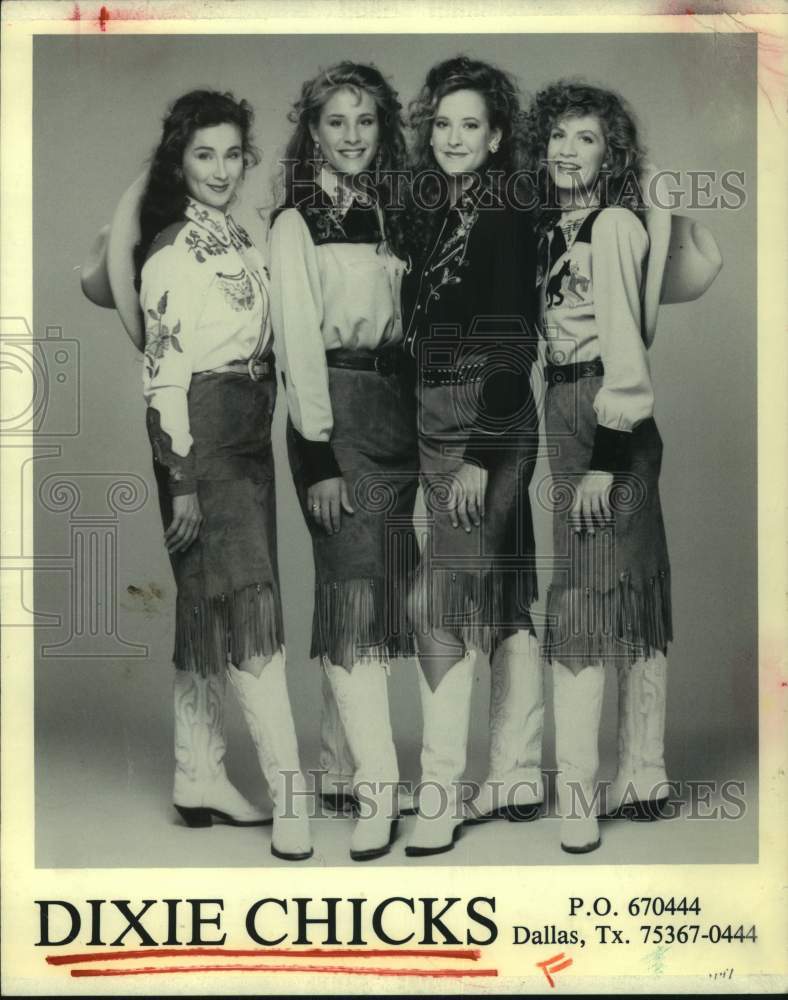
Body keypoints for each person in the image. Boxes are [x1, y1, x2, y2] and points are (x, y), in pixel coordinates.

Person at [134, 89, 312, 861]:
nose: (218, 168)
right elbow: (163, 376)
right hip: (199, 439)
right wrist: (178, 478)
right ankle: (292, 797)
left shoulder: (239, 236)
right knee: (250, 610)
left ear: (247, 159)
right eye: (201, 154)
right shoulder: (172, 251)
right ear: (179, 161)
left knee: (209, 611)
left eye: (231, 153)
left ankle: (196, 776)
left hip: (250, 432)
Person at [269, 63, 419, 861]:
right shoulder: (296, 223)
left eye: (365, 120)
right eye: (336, 121)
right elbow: (297, 346)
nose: (352, 135)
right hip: (335, 418)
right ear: (313, 132)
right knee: (355, 595)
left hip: (394, 415)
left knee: (374, 591)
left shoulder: (395, 217)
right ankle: (380, 790)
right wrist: (319, 454)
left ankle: (336, 765)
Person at [401, 56, 543, 857]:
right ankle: (518, 771)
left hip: (483, 420)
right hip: (437, 413)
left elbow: (512, 334)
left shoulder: (504, 209)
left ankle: (439, 793)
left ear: (495, 140)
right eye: (443, 123)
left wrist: (484, 452)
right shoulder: (445, 210)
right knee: (508, 584)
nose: (453, 137)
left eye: (471, 126)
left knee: (438, 600)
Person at [527, 80, 673, 854]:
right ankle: (641, 772)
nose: (566, 150)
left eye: (585, 138)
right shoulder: (555, 225)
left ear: (611, 153)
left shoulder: (613, 222)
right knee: (612, 589)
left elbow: (625, 349)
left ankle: (595, 789)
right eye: (556, 136)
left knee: (600, 596)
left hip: (608, 418)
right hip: (566, 407)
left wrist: (604, 462)